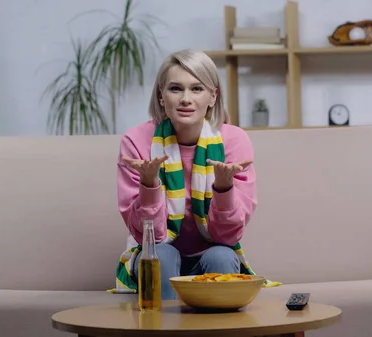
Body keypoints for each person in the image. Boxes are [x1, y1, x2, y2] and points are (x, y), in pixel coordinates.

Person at [112, 49, 261, 300]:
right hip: (158, 252)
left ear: (213, 97)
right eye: (175, 89)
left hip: (213, 252)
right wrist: (149, 185)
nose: (185, 99)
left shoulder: (234, 140)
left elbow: (227, 237)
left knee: (222, 256)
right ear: (161, 96)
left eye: (196, 89)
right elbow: (151, 237)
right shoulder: (136, 141)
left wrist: (224, 190)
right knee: (163, 255)